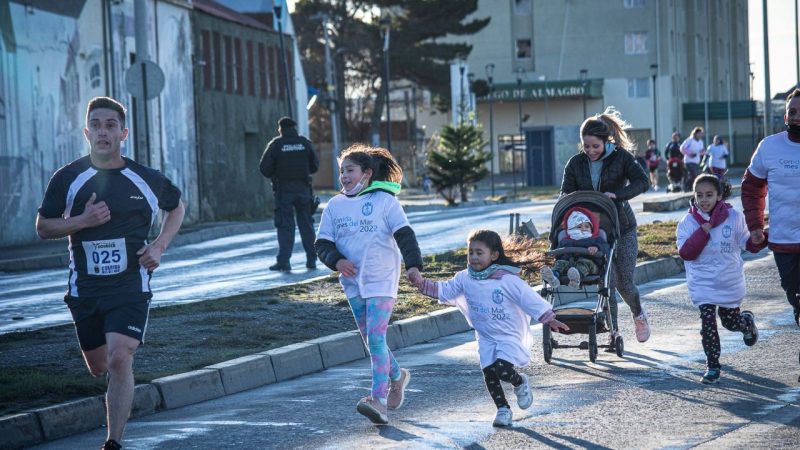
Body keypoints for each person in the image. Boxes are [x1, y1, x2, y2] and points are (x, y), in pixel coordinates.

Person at [35, 97, 185, 450]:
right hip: (84, 288)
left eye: (111, 125)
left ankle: (112, 442)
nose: (103, 132)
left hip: (130, 285)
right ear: (87, 132)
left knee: (121, 357)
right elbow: (43, 227)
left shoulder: (145, 178)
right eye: (97, 125)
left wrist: (159, 247)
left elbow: (176, 207)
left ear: (123, 133)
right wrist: (82, 221)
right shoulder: (69, 178)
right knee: (99, 365)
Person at [413, 229, 569, 427]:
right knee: (489, 372)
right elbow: (445, 290)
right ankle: (503, 409)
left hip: (508, 335)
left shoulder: (506, 279)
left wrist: (549, 318)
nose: (474, 257)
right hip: (486, 336)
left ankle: (519, 382)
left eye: (479, 253)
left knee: (503, 370)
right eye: (470, 252)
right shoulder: (464, 278)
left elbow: (528, 298)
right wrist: (421, 283)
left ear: (494, 255)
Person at [314, 144, 423, 425]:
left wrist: (413, 266)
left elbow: (405, 235)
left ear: (367, 173)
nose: (344, 176)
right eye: (341, 171)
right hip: (352, 284)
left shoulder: (385, 201)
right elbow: (322, 243)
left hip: (382, 280)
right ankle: (398, 377)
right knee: (372, 340)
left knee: (375, 339)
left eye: (350, 170)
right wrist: (336, 261)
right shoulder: (335, 206)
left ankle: (379, 400)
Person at [561, 107, 652, 343]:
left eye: (595, 146)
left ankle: (638, 313)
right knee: (607, 284)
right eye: (586, 146)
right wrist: (566, 203)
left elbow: (643, 182)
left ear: (606, 141)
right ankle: (614, 333)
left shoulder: (621, 157)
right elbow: (566, 192)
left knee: (625, 284)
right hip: (592, 230)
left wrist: (618, 195)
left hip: (622, 227)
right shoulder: (575, 163)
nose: (590, 151)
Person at [677, 174, 765, 384]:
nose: (704, 200)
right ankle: (713, 366)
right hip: (703, 282)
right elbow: (686, 253)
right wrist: (703, 231)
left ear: (719, 195)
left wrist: (757, 240)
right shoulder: (688, 222)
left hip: (727, 280)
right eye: (699, 195)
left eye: (709, 195)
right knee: (707, 322)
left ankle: (746, 323)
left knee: (730, 322)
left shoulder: (734, 217)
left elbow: (748, 243)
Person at [742, 88, 800, 329]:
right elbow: (752, 189)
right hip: (784, 241)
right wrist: (755, 226)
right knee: (795, 298)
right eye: (792, 112)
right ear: (785, 116)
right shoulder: (769, 147)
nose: (796, 116)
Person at [259, 116, 319, 271]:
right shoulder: (304, 143)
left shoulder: (276, 144)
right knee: (306, 224)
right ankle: (311, 260)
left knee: (285, 225)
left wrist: (277, 174)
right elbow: (315, 166)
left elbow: (264, 168)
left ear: (281, 129)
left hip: (284, 190)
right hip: (303, 189)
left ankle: (284, 261)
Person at [540, 207, 610, 289]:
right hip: (568, 263)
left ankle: (576, 278)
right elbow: (557, 254)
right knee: (560, 263)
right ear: (571, 228)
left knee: (584, 264)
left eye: (587, 226)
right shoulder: (564, 241)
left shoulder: (595, 239)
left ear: (591, 228)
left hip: (590, 264)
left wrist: (597, 247)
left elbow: (606, 248)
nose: (583, 228)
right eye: (579, 226)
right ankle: (553, 277)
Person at [680, 126, 705, 191]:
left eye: (701, 133)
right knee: (694, 174)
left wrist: (703, 152)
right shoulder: (689, 140)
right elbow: (682, 148)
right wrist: (689, 154)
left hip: (696, 161)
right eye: (698, 133)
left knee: (694, 175)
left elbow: (701, 152)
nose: (700, 135)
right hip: (689, 161)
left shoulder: (700, 142)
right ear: (695, 133)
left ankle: (688, 187)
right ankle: (686, 187)